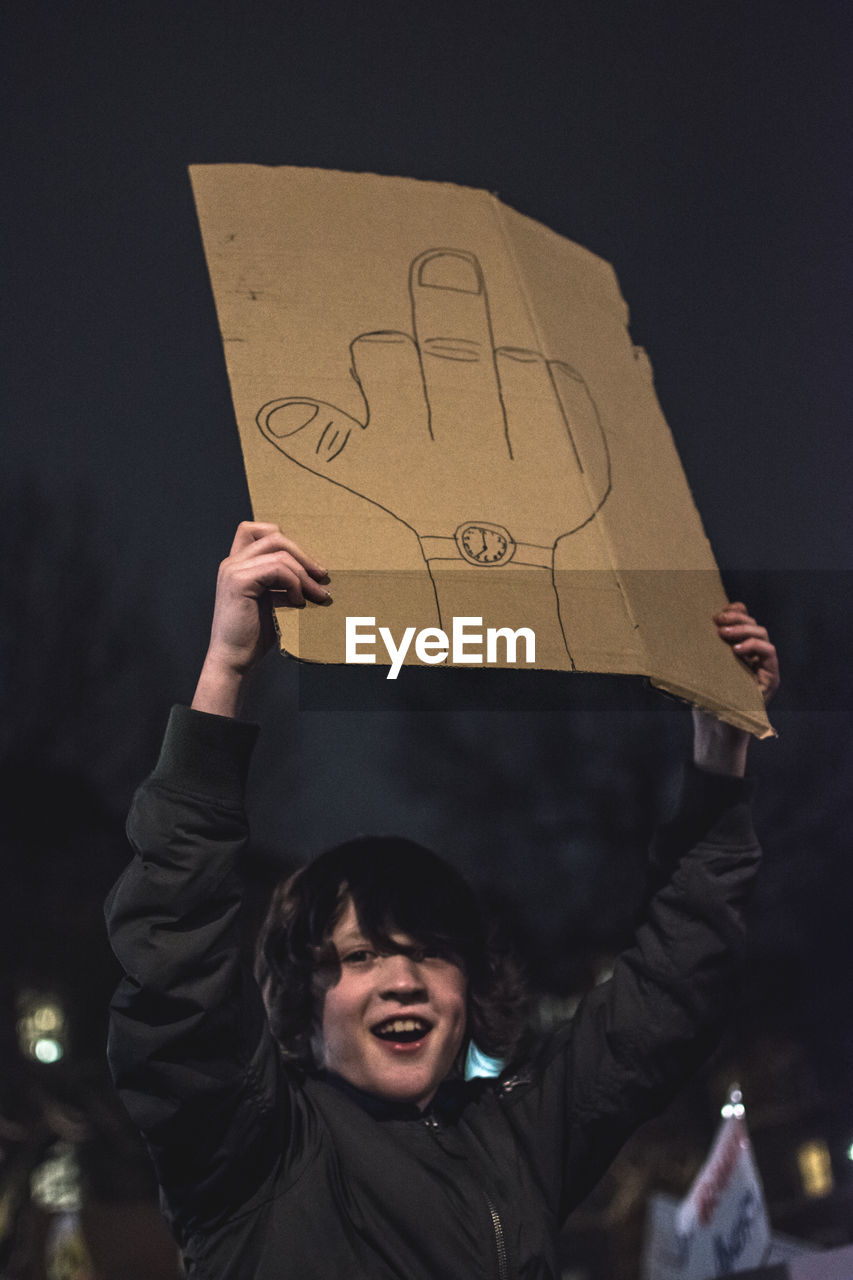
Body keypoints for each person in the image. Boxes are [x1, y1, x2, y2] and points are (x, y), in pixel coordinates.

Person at [105, 521, 779, 1280]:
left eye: (430, 951)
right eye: (361, 955)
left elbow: (671, 991)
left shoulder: (519, 1141)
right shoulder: (250, 1147)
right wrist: (226, 667)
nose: (403, 980)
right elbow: (173, 956)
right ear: (302, 998)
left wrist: (720, 753)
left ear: (470, 988)